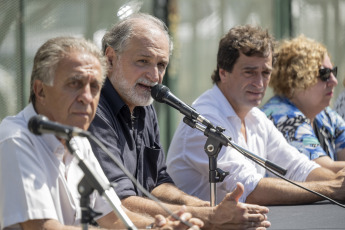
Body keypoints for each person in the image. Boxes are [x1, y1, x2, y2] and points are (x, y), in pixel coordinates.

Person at [88, 13, 271, 229]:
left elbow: (157, 183)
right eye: (143, 61)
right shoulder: (92, 110)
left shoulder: (144, 103)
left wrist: (201, 207)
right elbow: (120, 201)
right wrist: (208, 216)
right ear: (110, 59)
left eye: (161, 64)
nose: (155, 76)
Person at [0, 36, 203, 230]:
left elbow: (113, 217)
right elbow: (43, 227)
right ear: (40, 90)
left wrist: (159, 226)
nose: (87, 97)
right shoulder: (15, 140)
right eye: (75, 84)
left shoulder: (77, 139)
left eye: (95, 87)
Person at [166, 24, 345, 206]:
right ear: (223, 73)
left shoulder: (256, 117)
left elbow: (298, 167)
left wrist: (337, 183)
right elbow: (249, 190)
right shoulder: (204, 118)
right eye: (249, 72)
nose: (259, 83)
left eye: (265, 73)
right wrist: (333, 188)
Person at [261, 35, 345, 173]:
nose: (334, 81)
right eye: (324, 74)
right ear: (295, 79)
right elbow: (323, 170)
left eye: (333, 72)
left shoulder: (324, 114)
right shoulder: (282, 115)